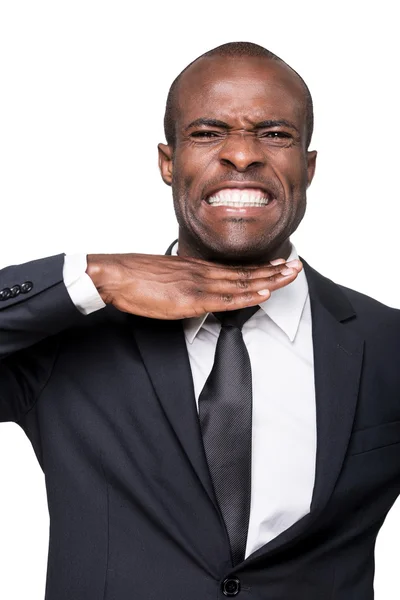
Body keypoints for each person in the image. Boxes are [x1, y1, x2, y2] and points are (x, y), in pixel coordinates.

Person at [1, 40, 399, 600]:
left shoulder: (386, 345)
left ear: (308, 167)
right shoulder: (66, 334)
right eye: (208, 133)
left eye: (275, 133)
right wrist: (90, 278)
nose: (242, 155)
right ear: (169, 163)